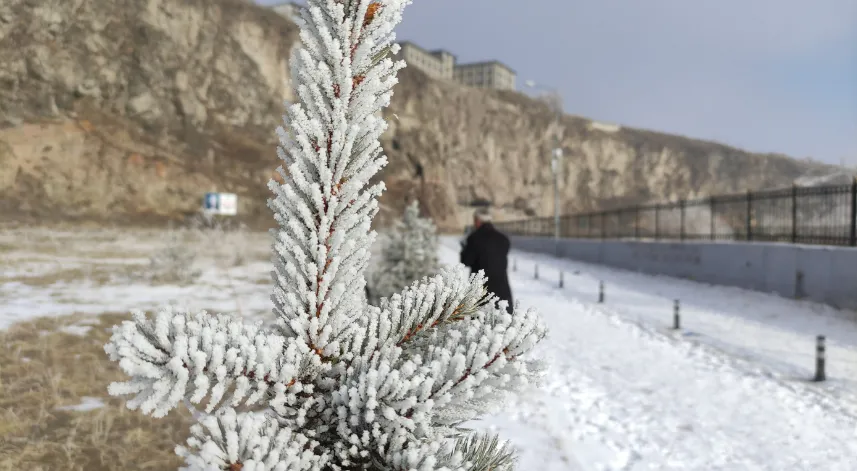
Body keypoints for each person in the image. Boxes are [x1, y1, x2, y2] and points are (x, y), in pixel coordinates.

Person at [460, 207, 514, 313]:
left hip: (480, 293)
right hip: (502, 292)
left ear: (477, 221)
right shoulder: (503, 239)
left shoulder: (474, 238)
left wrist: (464, 249)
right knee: (502, 325)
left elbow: (466, 261)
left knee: (478, 326)